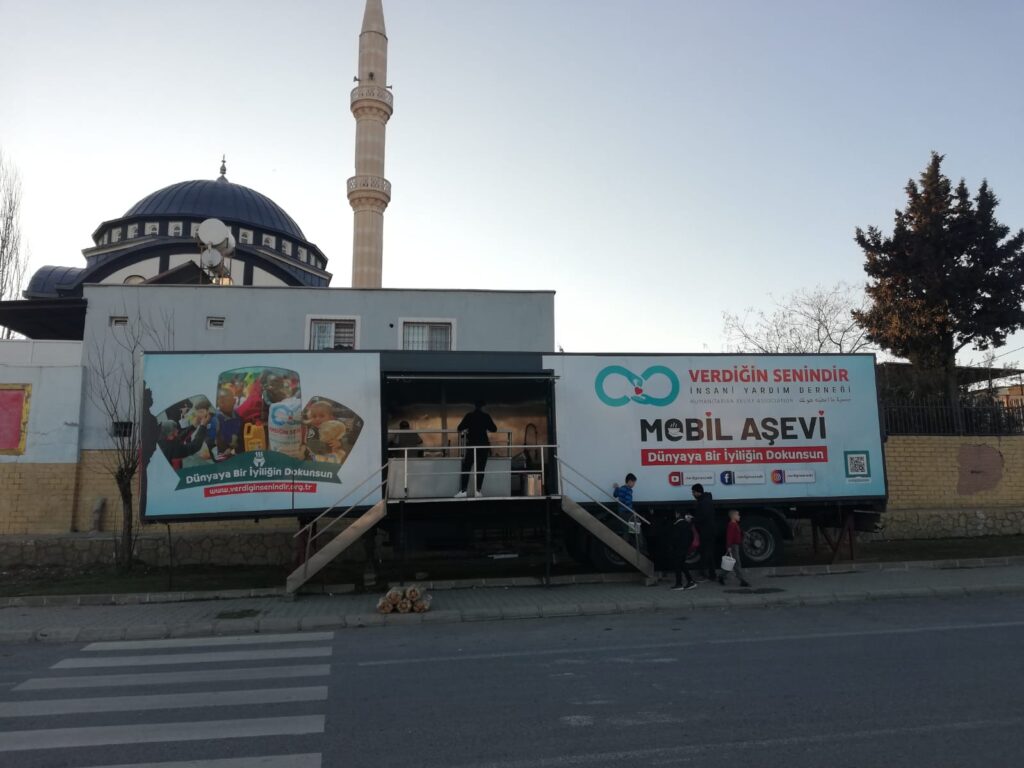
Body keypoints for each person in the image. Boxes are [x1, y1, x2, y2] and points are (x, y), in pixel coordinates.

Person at [455, 401, 497, 497]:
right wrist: (484, 426)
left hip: (472, 445)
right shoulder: (486, 416)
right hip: (483, 446)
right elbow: (494, 429)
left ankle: (463, 491)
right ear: (483, 407)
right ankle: (478, 491)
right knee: (480, 468)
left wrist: (467, 429)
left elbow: (459, 428)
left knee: (466, 467)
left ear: (475, 406)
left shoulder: (469, 416)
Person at [691, 483, 718, 581]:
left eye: (693, 492)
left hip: (707, 531)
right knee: (708, 552)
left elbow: (703, 517)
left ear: (698, 492)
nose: (693, 494)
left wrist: (693, 519)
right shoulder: (706, 500)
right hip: (708, 530)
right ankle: (711, 574)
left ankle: (707, 574)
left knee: (706, 553)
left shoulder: (703, 503)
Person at [718, 509, 751, 587]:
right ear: (733, 516)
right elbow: (729, 536)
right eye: (738, 515)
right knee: (737, 563)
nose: (739, 516)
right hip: (733, 546)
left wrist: (744, 533)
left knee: (730, 563)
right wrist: (729, 546)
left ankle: (721, 576)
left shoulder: (734, 524)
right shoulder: (732, 525)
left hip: (734, 546)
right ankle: (742, 580)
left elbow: (737, 533)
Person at [670, 510, 698, 590]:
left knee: (678, 565)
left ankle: (679, 584)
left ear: (677, 514)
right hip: (685, 548)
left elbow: (675, 538)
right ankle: (690, 581)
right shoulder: (687, 525)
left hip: (678, 548)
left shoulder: (677, 525)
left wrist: (673, 546)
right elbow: (691, 537)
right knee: (682, 564)